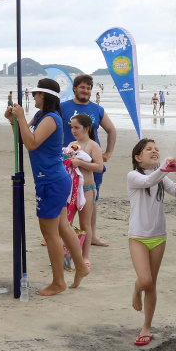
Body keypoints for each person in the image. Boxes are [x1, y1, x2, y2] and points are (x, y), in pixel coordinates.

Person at [6, 79, 89, 295]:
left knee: (50, 232)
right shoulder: (41, 116)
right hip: (52, 178)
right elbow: (23, 140)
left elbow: (32, 143)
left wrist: (22, 118)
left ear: (43, 96)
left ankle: (58, 282)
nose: (32, 97)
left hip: (51, 180)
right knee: (62, 226)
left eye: (35, 94)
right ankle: (80, 266)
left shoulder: (51, 118)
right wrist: (14, 122)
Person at [128, 139, 176, 345]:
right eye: (148, 149)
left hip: (159, 237)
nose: (154, 151)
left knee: (152, 284)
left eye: (156, 149)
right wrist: (165, 168)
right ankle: (136, 289)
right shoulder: (133, 176)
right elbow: (147, 181)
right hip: (138, 237)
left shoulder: (160, 177)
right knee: (144, 282)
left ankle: (146, 327)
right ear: (138, 157)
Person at [61, 74, 117, 248]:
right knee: (64, 199)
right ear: (75, 89)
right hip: (68, 163)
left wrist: (108, 152)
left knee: (92, 199)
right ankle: (59, 234)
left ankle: (91, 236)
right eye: (82, 87)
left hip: (90, 163)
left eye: (88, 88)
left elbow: (111, 130)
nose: (85, 91)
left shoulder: (97, 109)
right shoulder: (63, 107)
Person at [68, 113, 103, 266]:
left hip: (87, 188)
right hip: (72, 188)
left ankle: (85, 256)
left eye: (77, 127)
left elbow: (99, 167)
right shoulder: (70, 145)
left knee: (85, 224)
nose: (74, 130)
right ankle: (67, 253)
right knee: (66, 222)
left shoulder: (93, 145)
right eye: (72, 127)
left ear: (86, 128)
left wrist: (80, 163)